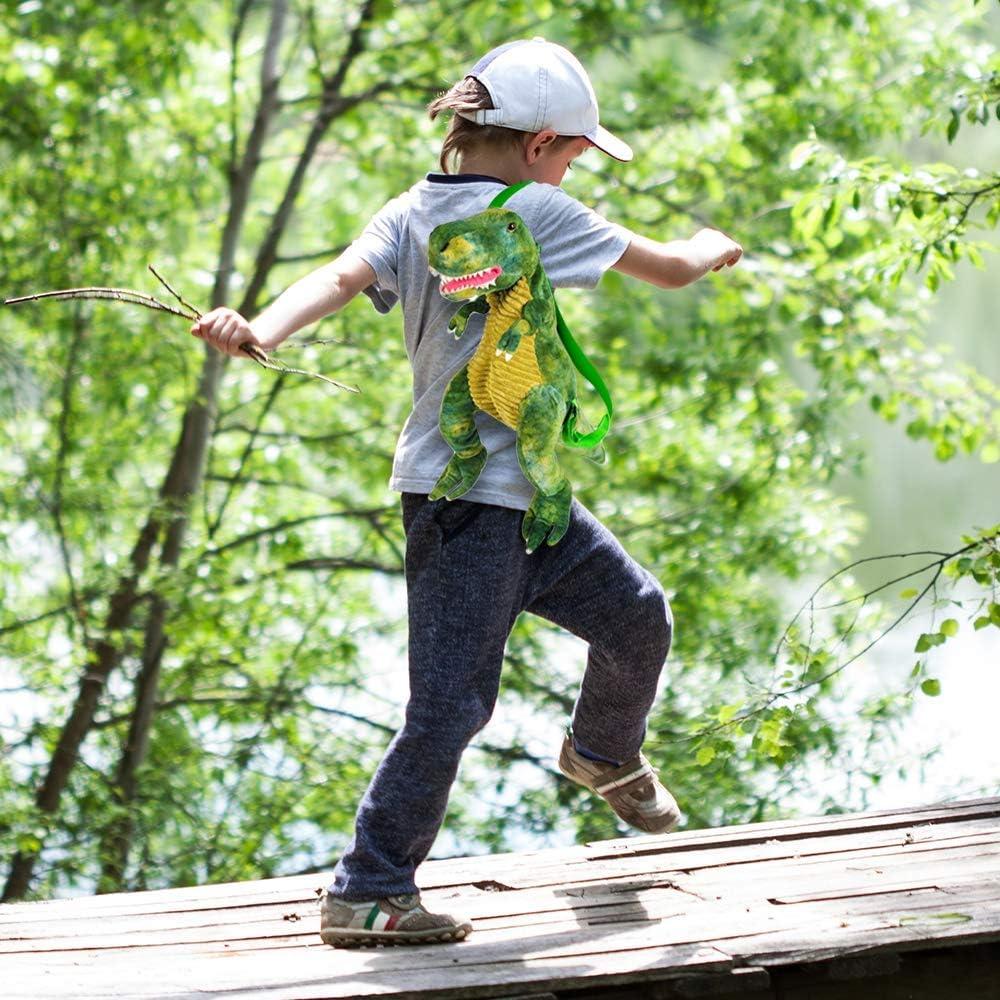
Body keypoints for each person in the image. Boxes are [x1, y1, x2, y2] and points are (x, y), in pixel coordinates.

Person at [192, 37, 742, 948]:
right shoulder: (535, 211)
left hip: (528, 503)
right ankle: (368, 889)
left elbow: (336, 278)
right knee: (450, 707)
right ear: (540, 145)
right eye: (574, 155)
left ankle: (602, 752)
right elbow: (673, 267)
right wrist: (712, 246)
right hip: (464, 510)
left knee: (637, 612)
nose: (571, 172)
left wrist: (262, 327)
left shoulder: (409, 211)